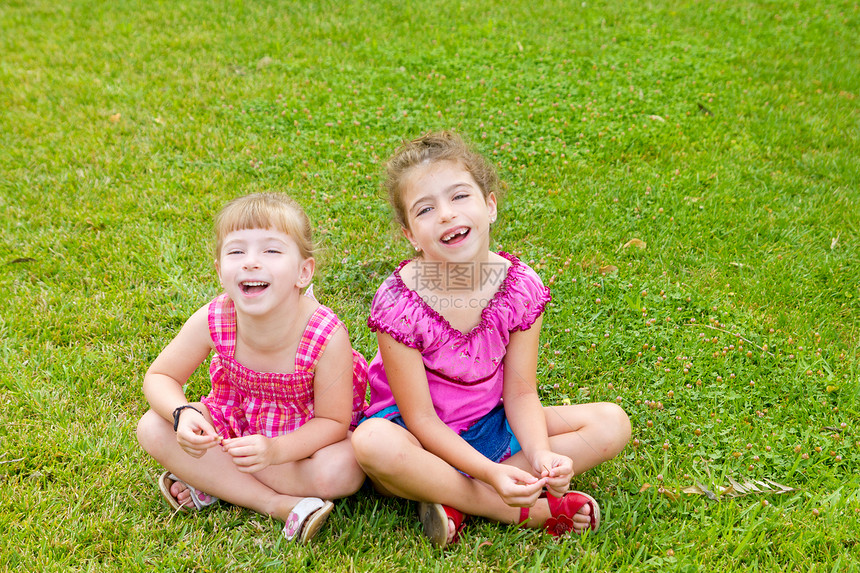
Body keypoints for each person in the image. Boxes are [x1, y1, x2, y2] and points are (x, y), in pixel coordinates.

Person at [351, 131, 631, 547]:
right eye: (425, 209)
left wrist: (540, 455)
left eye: (459, 196)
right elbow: (422, 420)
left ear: (490, 205)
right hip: (417, 439)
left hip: (491, 425)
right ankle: (519, 507)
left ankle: (452, 498)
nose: (446, 214)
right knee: (371, 444)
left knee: (612, 423)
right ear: (411, 235)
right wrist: (492, 473)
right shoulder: (399, 303)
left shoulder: (519, 288)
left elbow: (520, 393)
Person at [136, 192, 368, 544]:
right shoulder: (216, 317)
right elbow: (160, 377)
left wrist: (275, 452)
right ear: (219, 269)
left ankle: (212, 481)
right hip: (235, 427)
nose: (250, 263)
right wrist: (182, 414)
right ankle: (276, 504)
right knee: (153, 426)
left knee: (344, 469)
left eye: (271, 251)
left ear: (303, 272)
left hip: (300, 445)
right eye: (236, 251)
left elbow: (333, 424)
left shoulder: (325, 334)